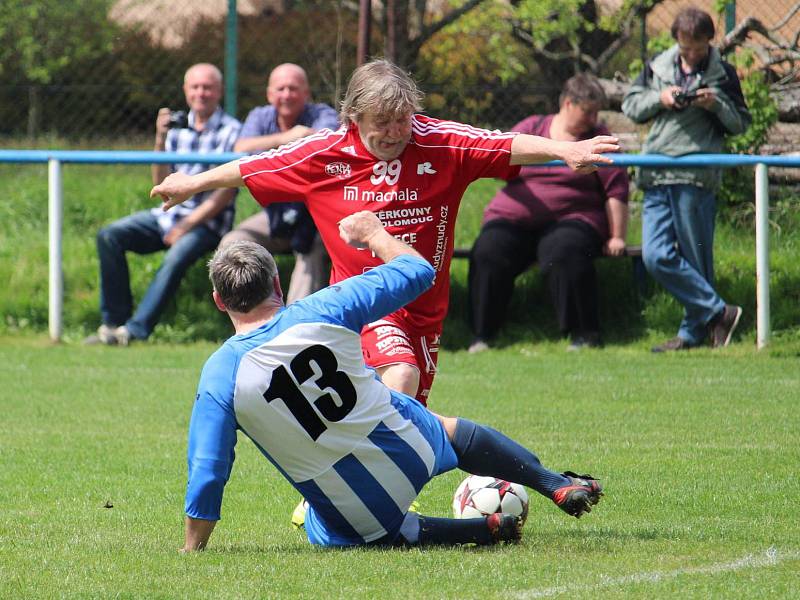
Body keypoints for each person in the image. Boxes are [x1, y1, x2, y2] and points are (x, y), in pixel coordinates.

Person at [152, 59, 620, 404]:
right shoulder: (325, 152)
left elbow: (505, 143)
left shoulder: (438, 141)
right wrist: (193, 181)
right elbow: (254, 164)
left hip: (426, 307)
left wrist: (564, 149)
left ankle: (346, 495)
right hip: (364, 302)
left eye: (403, 119)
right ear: (354, 115)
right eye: (383, 122)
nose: (396, 132)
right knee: (401, 372)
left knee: (409, 410)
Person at [181, 211, 604, 551]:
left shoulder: (220, 374)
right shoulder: (324, 306)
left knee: (321, 526)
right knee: (447, 429)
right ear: (276, 282)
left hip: (357, 507)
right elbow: (418, 272)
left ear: (220, 301)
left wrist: (192, 546)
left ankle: (473, 529)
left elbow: (209, 470)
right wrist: (375, 233)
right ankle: (552, 482)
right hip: (412, 447)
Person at [467, 74, 629, 352]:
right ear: (568, 103)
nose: (593, 118)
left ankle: (584, 335)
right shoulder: (533, 127)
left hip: (573, 219)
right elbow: (500, 156)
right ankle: (482, 335)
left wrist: (617, 236)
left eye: (596, 112)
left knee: (564, 250)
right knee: (488, 250)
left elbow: (616, 190)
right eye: (587, 111)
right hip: (515, 218)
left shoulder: (597, 138)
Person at [622, 8, 751, 353]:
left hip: (696, 175)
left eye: (697, 48)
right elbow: (631, 106)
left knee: (696, 260)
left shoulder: (723, 73)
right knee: (655, 255)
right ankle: (719, 312)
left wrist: (716, 105)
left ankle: (692, 334)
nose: (691, 55)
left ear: (709, 41)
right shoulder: (658, 66)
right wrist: (659, 98)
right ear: (676, 43)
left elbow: (741, 123)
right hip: (656, 170)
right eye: (685, 49)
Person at [86, 63, 241, 346]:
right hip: (168, 214)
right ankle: (112, 323)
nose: (201, 93)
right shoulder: (176, 129)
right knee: (109, 236)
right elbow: (160, 183)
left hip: (207, 222)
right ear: (185, 90)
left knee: (176, 257)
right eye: (195, 87)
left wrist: (186, 225)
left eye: (207, 87)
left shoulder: (234, 131)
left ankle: (135, 331)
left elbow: (226, 194)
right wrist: (159, 138)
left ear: (219, 91)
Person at [223, 63, 339, 304]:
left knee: (310, 252)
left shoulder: (322, 114)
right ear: (269, 94)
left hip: (314, 214)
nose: (286, 94)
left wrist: (271, 147)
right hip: (275, 213)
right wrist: (288, 138)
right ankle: (256, 316)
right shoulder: (260, 116)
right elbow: (241, 148)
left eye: (293, 88)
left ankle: (295, 328)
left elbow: (326, 142)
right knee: (233, 242)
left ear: (306, 94)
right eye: (281, 88)